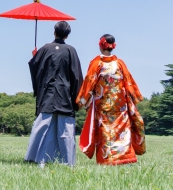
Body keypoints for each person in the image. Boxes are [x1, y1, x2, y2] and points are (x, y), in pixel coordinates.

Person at [76, 34, 145, 166]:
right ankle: (124, 159)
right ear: (113, 46)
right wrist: (135, 97)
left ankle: (107, 160)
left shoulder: (96, 64)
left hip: (103, 106)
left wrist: (81, 101)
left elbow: (89, 83)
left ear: (101, 45)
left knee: (106, 132)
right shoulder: (120, 64)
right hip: (120, 105)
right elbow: (129, 81)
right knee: (122, 132)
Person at [24, 21, 83, 167]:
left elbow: (34, 67)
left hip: (47, 94)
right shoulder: (71, 50)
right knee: (66, 131)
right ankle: (67, 162)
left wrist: (34, 58)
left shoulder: (45, 48)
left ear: (54, 32)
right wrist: (77, 99)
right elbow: (76, 76)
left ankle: (35, 159)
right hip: (65, 95)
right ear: (67, 35)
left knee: (42, 128)